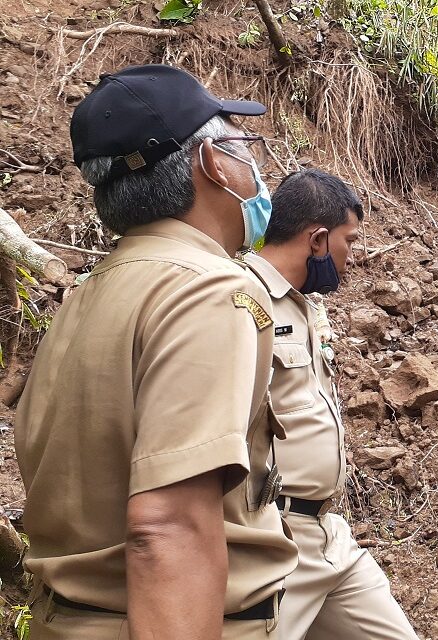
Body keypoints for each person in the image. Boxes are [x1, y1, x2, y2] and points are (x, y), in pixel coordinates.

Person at [15, 65, 296, 638]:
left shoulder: (88, 293)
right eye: (245, 147)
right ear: (213, 163)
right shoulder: (208, 291)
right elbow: (168, 527)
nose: (257, 170)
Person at [244, 170, 420, 640]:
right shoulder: (242, 301)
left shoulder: (304, 304)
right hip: (272, 538)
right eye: (350, 241)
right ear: (318, 239)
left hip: (328, 533)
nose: (352, 256)